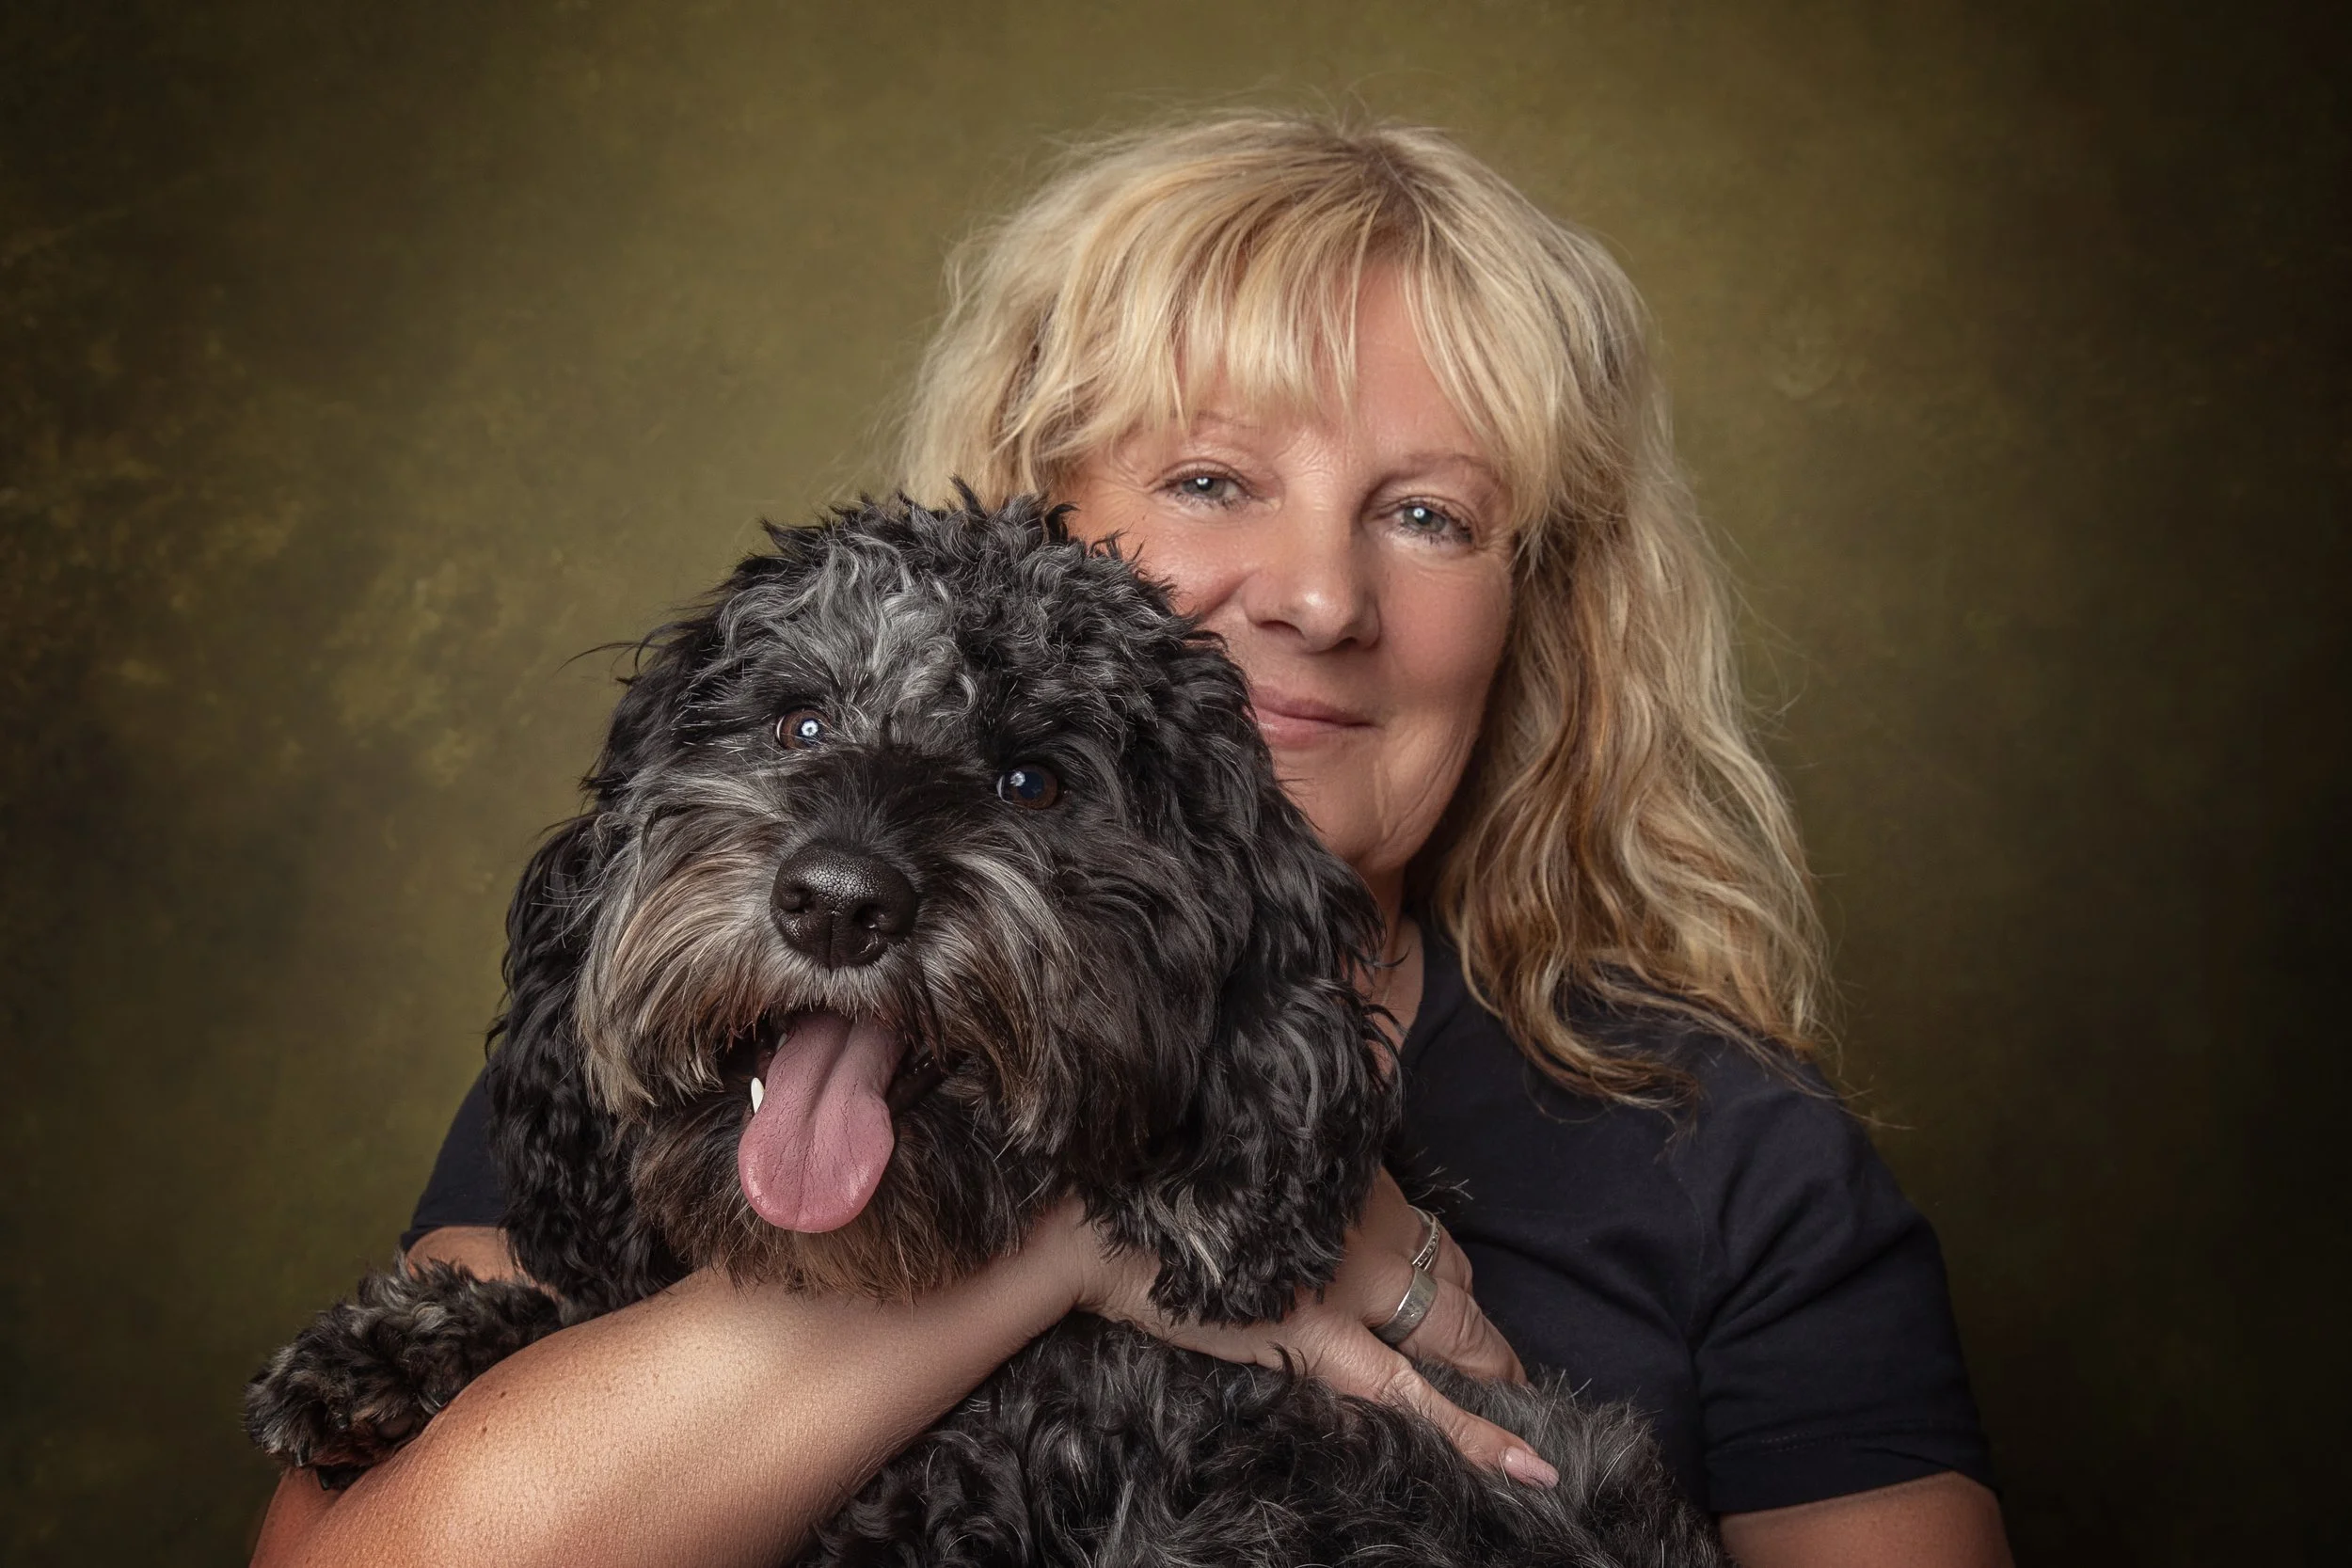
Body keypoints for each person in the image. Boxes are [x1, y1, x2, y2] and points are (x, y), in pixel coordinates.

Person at [252, 112, 2010, 1567]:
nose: (1321, 597)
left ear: (1534, 607)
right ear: (1037, 506)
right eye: (1212, 479)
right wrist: (1078, 1244)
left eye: (1426, 514)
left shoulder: (1744, 1166)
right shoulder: (724, 1029)